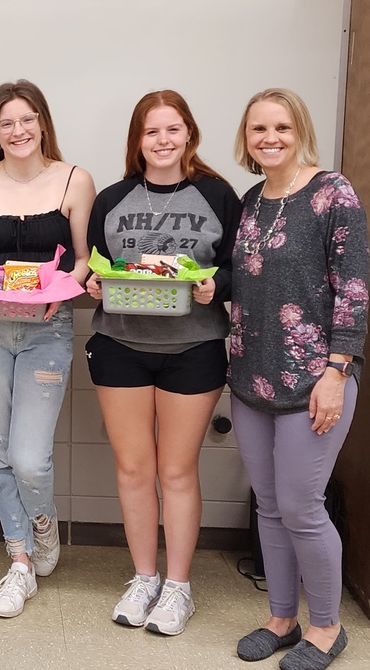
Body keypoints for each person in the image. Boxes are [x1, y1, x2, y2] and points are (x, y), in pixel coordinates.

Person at [83, 90, 241, 636]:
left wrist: (213, 286)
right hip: (120, 345)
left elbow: (240, 269)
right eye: (152, 131)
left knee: (176, 471)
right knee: (133, 470)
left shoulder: (217, 195)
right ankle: (144, 577)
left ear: (190, 134)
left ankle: (178, 586)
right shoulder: (112, 198)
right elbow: (95, 271)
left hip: (192, 349)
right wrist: (95, 282)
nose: (163, 140)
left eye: (173, 129)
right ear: (138, 140)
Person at [229, 88, 367, 670]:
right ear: (246, 138)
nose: (270, 139)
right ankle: (281, 617)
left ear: (300, 129)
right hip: (250, 379)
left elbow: (355, 291)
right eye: (259, 129)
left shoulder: (332, 193)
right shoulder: (251, 199)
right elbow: (251, 283)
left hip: (315, 380)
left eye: (281, 127)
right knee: (268, 506)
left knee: (302, 505)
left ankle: (326, 627)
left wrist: (337, 371)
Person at [0, 80, 94, 618]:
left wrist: (56, 287)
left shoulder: (75, 181)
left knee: (27, 457)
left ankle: (42, 522)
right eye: (6, 122)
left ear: (42, 122)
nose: (18, 130)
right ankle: (20, 562)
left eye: (27, 119)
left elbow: (83, 260)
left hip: (47, 331)